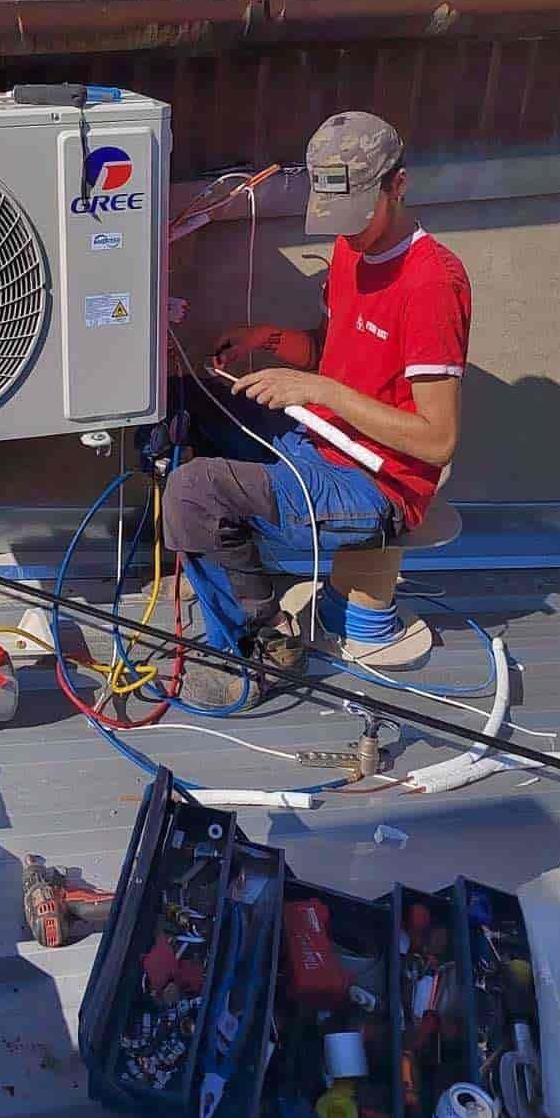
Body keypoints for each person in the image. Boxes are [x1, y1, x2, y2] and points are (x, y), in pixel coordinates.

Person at [162, 112, 471, 707]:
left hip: (376, 484)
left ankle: (261, 647)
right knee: (181, 404)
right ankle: (219, 567)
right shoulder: (353, 249)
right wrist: (269, 339)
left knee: (194, 492)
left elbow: (438, 440)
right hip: (319, 435)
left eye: (357, 214)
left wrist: (319, 392)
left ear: (398, 185)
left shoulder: (432, 285)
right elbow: (337, 351)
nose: (346, 233)